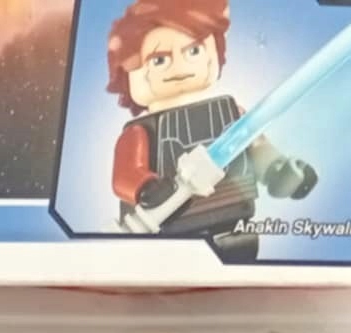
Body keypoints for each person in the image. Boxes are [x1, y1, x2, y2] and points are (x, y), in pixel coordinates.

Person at [106, 0, 318, 262]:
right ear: (128, 71)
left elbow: (257, 147)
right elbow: (125, 176)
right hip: (167, 237)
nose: (179, 66)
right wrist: (146, 188)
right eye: (159, 60)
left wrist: (281, 173)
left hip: (233, 228)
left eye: (193, 51)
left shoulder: (231, 113)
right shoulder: (140, 131)